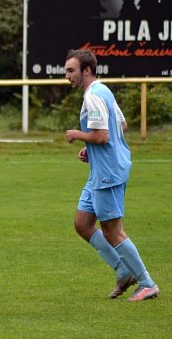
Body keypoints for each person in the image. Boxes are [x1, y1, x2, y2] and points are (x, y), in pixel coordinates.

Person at [64, 48, 159, 301]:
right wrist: (90, 147)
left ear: (87, 70)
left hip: (108, 172)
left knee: (112, 230)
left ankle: (146, 282)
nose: (67, 76)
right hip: (101, 170)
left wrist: (78, 135)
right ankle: (122, 270)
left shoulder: (93, 96)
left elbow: (103, 135)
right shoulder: (103, 90)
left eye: (71, 71)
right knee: (83, 223)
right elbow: (121, 125)